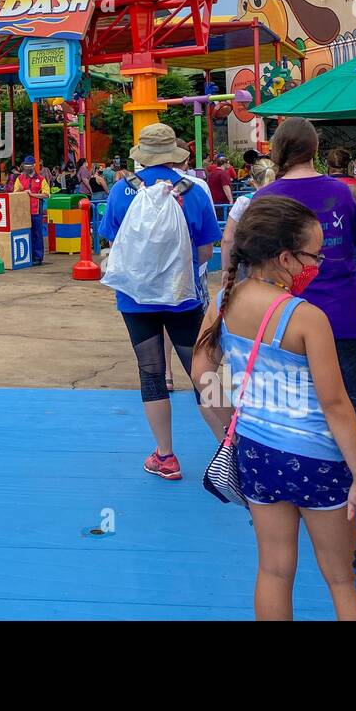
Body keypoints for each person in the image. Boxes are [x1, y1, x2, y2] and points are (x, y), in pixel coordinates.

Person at [191, 195, 356, 620]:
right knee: (341, 579)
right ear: (284, 257)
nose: (318, 263)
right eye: (313, 255)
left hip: (257, 453)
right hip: (318, 458)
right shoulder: (307, 318)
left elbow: (202, 368)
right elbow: (335, 405)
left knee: (274, 571)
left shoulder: (225, 299)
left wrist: (230, 428)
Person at [256, 117, 356, 511]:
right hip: (340, 309)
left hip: (285, 316)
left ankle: (292, 477)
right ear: (314, 149)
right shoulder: (340, 193)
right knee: (352, 397)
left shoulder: (266, 197)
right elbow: (355, 240)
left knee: (289, 396)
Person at [97, 123, 221, 479]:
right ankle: (231, 450)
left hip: (135, 300)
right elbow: (205, 251)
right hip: (183, 298)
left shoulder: (122, 190)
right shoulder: (193, 192)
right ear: (174, 155)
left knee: (151, 374)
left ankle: (165, 457)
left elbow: (111, 243)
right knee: (203, 374)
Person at [220, 156, 276, 262]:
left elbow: (228, 239)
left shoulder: (243, 202)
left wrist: (226, 270)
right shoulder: (286, 200)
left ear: (253, 181)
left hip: (250, 261)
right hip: (279, 264)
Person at [12, 156, 50, 265]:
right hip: (23, 212)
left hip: (36, 210)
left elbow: (47, 194)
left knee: (37, 234)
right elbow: (15, 193)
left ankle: (38, 257)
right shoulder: (20, 179)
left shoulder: (41, 179)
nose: (27, 168)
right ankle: (27, 256)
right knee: (25, 233)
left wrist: (33, 195)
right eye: (26, 166)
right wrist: (24, 193)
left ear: (34, 165)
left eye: (29, 166)